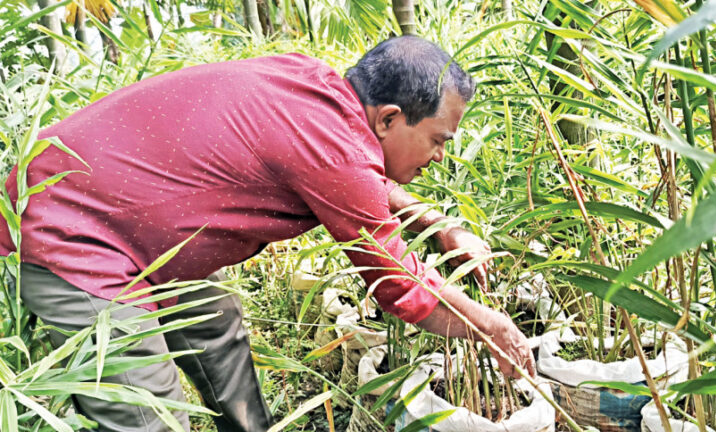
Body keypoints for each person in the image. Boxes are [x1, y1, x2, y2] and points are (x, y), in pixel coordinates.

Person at [0, 36, 534, 431]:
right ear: (390, 118)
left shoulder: (316, 87)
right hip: (65, 230)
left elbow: (341, 173)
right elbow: (401, 287)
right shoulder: (336, 149)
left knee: (215, 319)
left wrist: (436, 222)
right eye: (438, 140)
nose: (440, 157)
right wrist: (495, 328)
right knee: (150, 415)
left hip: (118, 219)